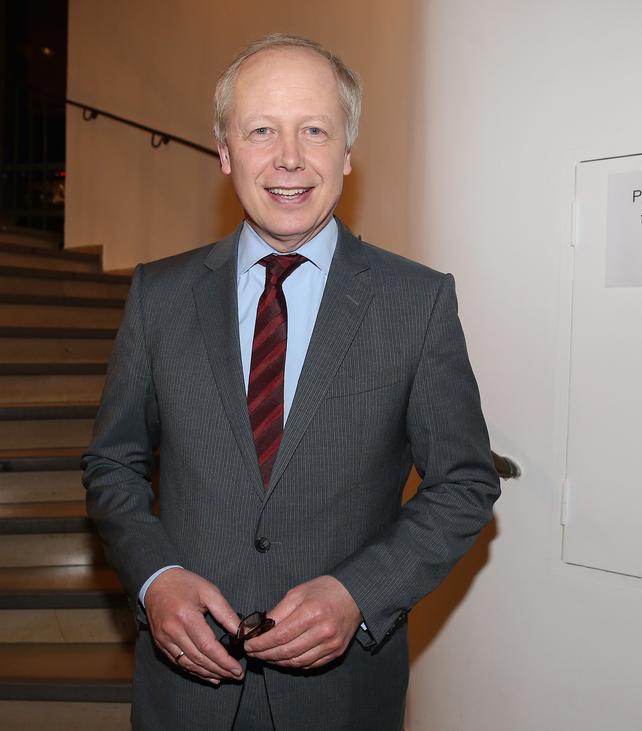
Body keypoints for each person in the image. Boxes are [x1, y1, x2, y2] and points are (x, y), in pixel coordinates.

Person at [82, 33, 500, 730]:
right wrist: (155, 579)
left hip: (342, 697)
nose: (289, 158)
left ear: (347, 152)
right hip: (186, 696)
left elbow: (464, 482)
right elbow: (112, 463)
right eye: (261, 131)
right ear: (225, 152)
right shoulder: (160, 296)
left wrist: (358, 594)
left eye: (314, 130)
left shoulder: (416, 303)